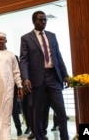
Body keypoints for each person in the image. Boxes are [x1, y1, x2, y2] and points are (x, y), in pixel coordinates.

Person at [20, 10, 70, 140]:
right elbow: (24, 59)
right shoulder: (26, 38)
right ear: (34, 21)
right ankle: (40, 137)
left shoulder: (52, 36)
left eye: (45, 20)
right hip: (37, 80)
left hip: (54, 77)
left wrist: (65, 74)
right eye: (40, 19)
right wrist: (25, 78)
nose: (43, 22)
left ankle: (65, 137)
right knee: (38, 113)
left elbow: (58, 56)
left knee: (61, 111)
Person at [12, 56, 23, 137]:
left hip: (14, 91)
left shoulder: (13, 57)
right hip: (4, 90)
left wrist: (19, 89)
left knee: (14, 111)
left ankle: (18, 129)